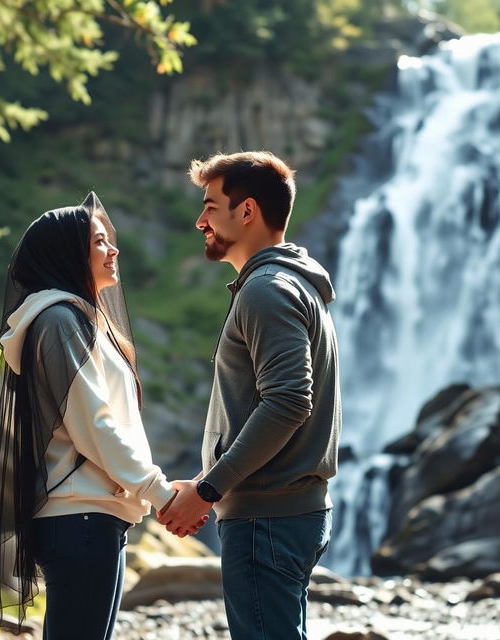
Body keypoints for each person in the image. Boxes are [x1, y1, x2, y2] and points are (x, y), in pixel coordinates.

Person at [0, 192, 199, 639]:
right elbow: (94, 426)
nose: (113, 249)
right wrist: (160, 492)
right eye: (99, 242)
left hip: (93, 517)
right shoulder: (60, 322)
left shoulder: (76, 321)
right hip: (79, 518)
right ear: (68, 252)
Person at [158, 152, 342, 640]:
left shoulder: (267, 291)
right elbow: (265, 410)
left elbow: (286, 403)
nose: (200, 221)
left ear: (247, 212)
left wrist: (209, 489)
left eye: (211, 207)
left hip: (267, 519)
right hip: (281, 512)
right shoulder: (291, 285)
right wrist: (205, 481)